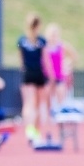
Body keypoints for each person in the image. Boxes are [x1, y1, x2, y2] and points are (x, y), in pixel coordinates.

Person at [17, 13, 49, 144]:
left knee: (28, 103)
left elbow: (21, 61)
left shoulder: (22, 41)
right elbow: (45, 60)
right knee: (37, 104)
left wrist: (24, 69)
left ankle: (29, 129)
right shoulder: (41, 41)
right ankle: (35, 130)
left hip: (28, 73)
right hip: (39, 73)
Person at [42, 22, 78, 110]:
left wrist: (67, 65)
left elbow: (73, 55)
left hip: (59, 76)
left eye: (55, 34)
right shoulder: (45, 47)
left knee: (61, 99)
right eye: (51, 34)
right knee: (47, 100)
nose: (53, 37)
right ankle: (49, 117)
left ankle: (60, 118)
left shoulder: (61, 45)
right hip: (48, 77)